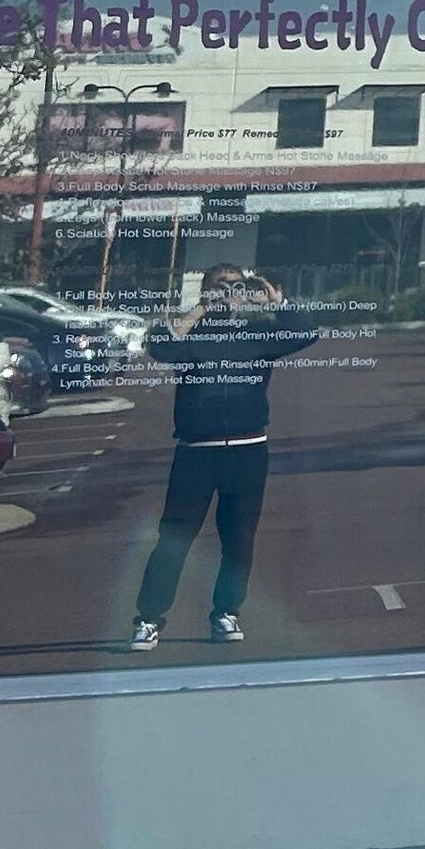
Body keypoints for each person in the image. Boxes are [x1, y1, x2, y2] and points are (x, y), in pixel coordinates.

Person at [129, 267, 322, 649]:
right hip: (196, 453)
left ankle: (226, 612)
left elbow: (305, 333)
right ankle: (149, 619)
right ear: (205, 291)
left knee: (238, 540)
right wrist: (201, 308)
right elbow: (160, 347)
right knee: (174, 538)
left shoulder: (256, 332)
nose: (230, 292)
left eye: (237, 286)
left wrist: (275, 301)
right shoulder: (192, 333)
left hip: (249, 450)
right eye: (222, 286)